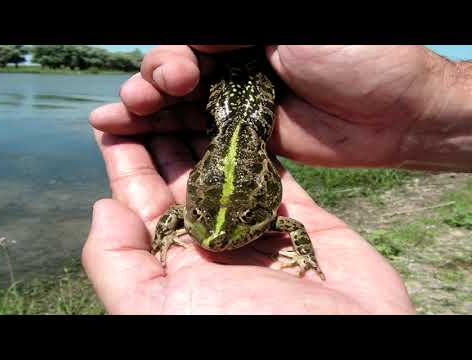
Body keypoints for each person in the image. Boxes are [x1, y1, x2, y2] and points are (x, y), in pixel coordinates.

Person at [82, 45, 472, 314]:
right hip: (233, 120)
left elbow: (290, 226)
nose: (216, 239)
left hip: (235, 120)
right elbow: (175, 218)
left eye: (246, 222)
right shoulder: (196, 214)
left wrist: (427, 101)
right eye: (198, 216)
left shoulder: (269, 221)